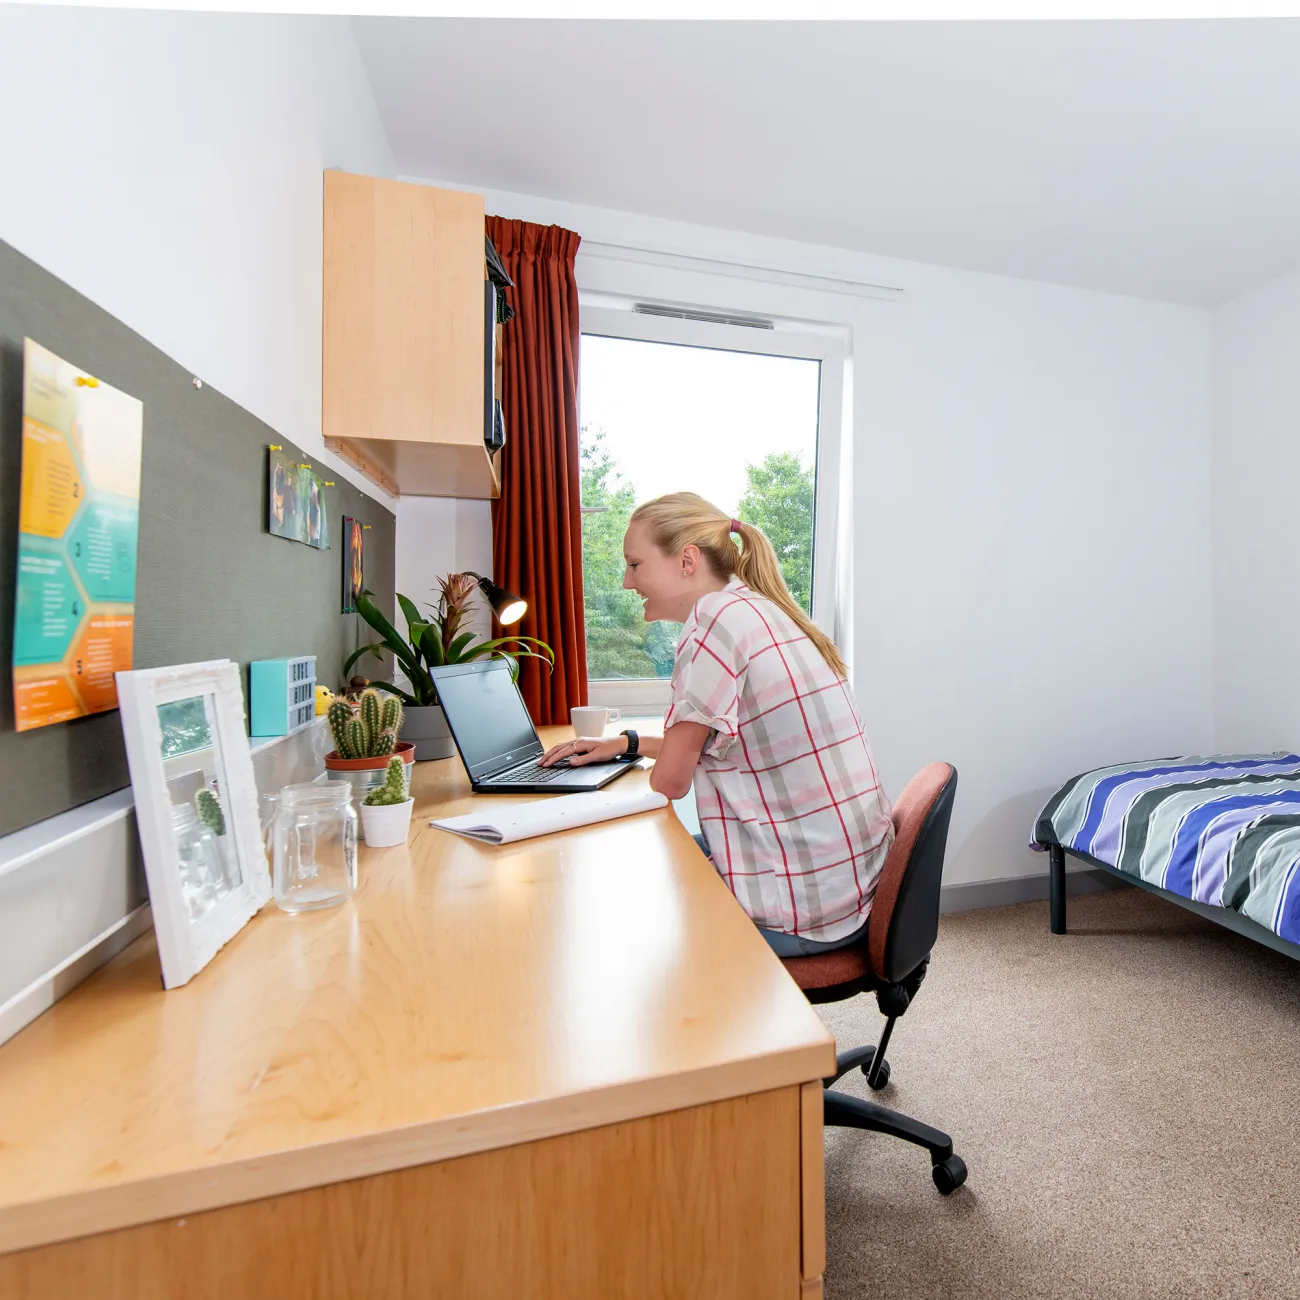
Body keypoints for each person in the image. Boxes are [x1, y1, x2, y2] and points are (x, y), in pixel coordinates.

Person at [540, 491, 894, 956]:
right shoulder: (754, 607)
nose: (627, 582)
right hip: (850, 879)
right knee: (648, 864)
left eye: (635, 564)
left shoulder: (713, 622)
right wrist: (626, 744)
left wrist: (566, 813)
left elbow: (670, 782)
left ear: (687, 560)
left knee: (607, 896)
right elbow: (729, 742)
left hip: (807, 906)